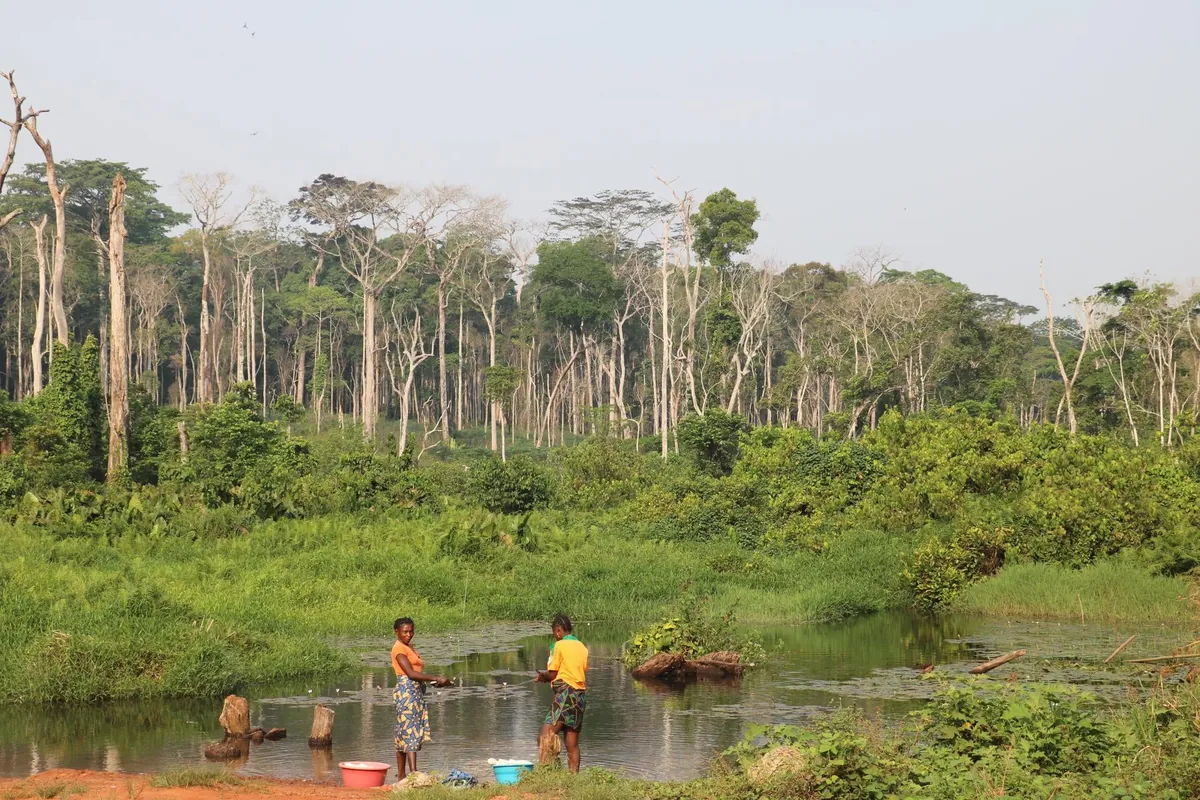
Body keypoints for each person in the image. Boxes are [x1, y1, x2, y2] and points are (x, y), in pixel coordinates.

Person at [390, 617, 451, 781]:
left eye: (411, 631)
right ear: (396, 632)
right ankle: (414, 774)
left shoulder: (409, 647)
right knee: (410, 731)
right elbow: (410, 674)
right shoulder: (398, 649)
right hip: (407, 692)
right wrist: (436, 677)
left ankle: (402, 776)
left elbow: (416, 674)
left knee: (404, 732)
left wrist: (435, 683)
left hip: (415, 691)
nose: (409, 635)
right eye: (405, 632)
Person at [536, 613, 588, 773]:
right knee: (572, 744)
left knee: (544, 737)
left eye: (554, 633)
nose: (555, 637)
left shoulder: (559, 646)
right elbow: (578, 670)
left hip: (566, 695)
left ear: (558, 631)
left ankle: (548, 773)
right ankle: (573, 778)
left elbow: (552, 674)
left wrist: (542, 676)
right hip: (580, 696)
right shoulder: (582, 646)